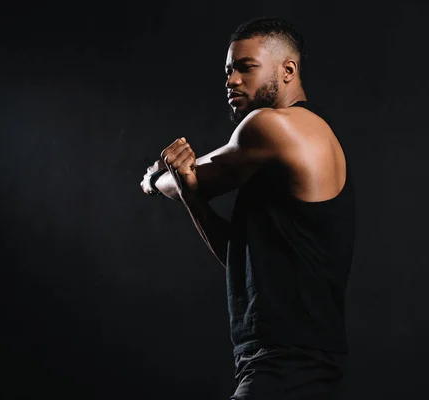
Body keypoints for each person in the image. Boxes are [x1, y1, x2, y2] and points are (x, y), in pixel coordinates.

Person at [140, 17, 356, 399]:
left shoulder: (272, 128)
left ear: (288, 70)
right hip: (301, 364)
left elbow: (193, 177)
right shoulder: (297, 143)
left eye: (246, 68)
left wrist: (156, 179)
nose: (231, 80)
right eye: (228, 71)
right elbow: (237, 258)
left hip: (286, 365)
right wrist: (190, 195)